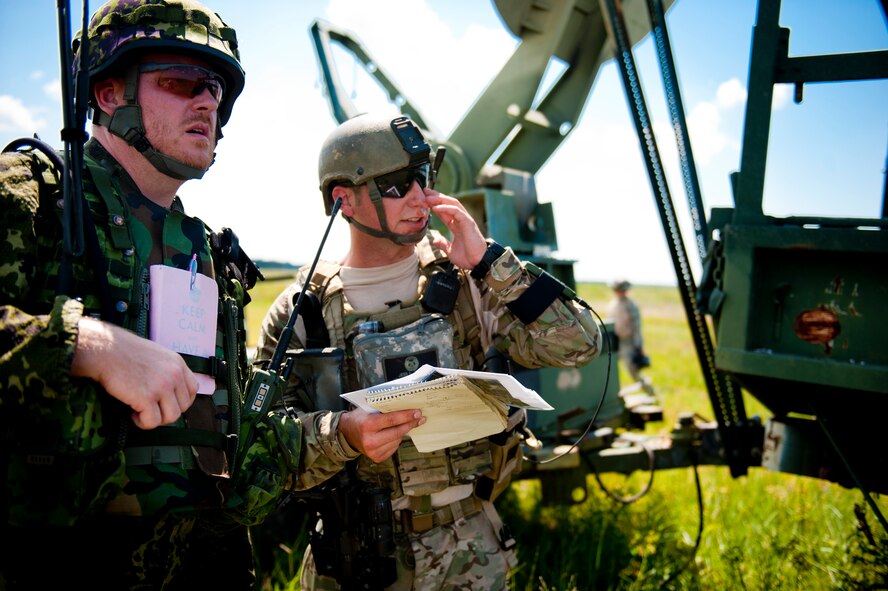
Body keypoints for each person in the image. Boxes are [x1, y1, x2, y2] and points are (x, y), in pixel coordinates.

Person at [0, 1, 305, 588]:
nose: (208, 101)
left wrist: (341, 438)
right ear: (110, 94)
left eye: (215, 88)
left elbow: (226, 453)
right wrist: (86, 345)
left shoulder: (209, 255)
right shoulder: (30, 199)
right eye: (181, 80)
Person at [254, 112, 603, 590]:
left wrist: (489, 263)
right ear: (345, 201)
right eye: (396, 185)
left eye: (422, 177)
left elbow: (581, 343)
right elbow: (260, 447)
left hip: (471, 552)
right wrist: (344, 434)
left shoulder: (469, 284)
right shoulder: (303, 312)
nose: (419, 197)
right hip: (356, 558)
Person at [605, 279, 652, 391]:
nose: (619, 292)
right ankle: (614, 391)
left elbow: (637, 326)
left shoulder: (631, 305)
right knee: (610, 370)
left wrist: (638, 346)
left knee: (633, 370)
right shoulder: (612, 304)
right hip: (615, 341)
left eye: (622, 289)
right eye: (617, 289)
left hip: (628, 342)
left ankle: (649, 391)